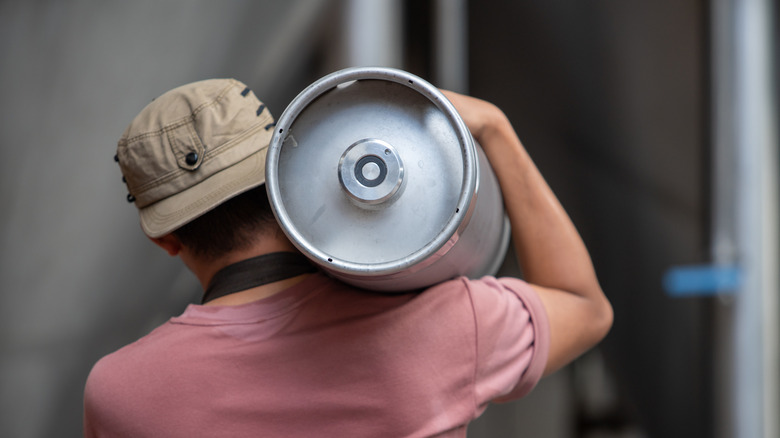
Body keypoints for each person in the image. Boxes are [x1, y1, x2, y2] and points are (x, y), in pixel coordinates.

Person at [84, 78, 612, 437]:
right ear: (289, 173)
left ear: (165, 239)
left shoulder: (119, 394)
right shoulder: (448, 324)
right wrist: (495, 128)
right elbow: (585, 308)